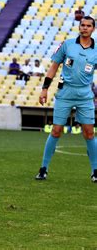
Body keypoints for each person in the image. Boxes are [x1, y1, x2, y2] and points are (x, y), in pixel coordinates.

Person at [36, 16, 97, 182]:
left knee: (89, 133)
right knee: (56, 130)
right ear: (79, 27)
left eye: (88, 26)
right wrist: (44, 89)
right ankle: (43, 169)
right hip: (65, 94)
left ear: (93, 29)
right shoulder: (67, 45)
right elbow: (54, 67)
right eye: (82, 25)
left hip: (85, 95)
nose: (84, 28)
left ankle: (95, 171)